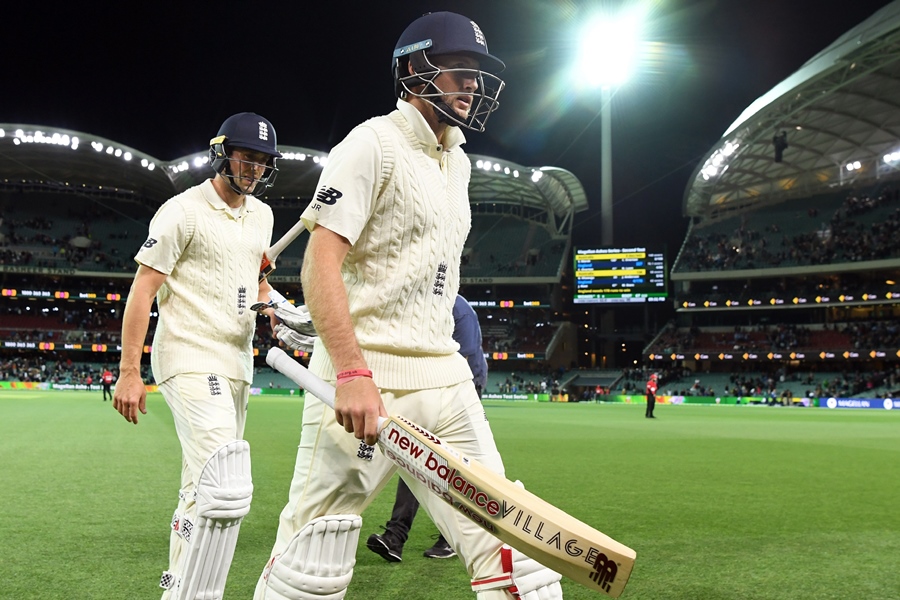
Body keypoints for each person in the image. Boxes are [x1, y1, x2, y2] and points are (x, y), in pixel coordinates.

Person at [254, 12, 562, 600]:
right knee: (308, 566)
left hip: (445, 379)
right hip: (369, 380)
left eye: (478, 74)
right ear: (416, 71)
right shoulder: (372, 143)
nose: (473, 85)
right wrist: (349, 371)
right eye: (460, 71)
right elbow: (319, 264)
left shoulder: (460, 161)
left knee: (515, 555)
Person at [113, 113, 313, 600]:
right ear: (223, 153)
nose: (254, 169)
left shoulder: (262, 215)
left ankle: (178, 587)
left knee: (199, 487)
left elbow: (255, 278)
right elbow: (143, 289)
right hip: (188, 354)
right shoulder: (180, 211)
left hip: (236, 363)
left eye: (263, 162)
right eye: (247, 157)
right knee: (226, 482)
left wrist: (277, 311)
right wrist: (127, 372)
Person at [366, 294, 488, 562]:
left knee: (452, 464)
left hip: (460, 387)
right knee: (416, 458)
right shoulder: (421, 302)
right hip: (428, 383)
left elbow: (463, 359)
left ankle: (450, 537)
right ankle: (395, 538)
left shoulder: (459, 310)